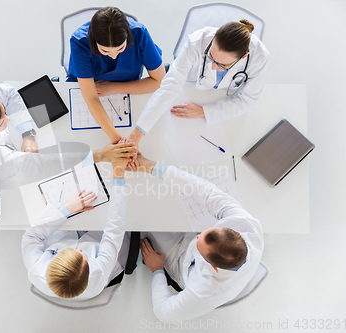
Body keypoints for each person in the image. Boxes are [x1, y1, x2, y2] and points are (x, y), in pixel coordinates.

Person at [0, 82, 137, 199]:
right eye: (1, 122)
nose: (9, 119)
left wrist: (28, 135)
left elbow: (11, 94)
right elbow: (48, 164)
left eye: (4, 111)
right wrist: (102, 155)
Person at [135, 154, 264, 322]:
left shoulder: (203, 293)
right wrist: (152, 166)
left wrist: (157, 270)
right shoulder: (247, 226)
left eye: (199, 247)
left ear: (213, 267)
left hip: (180, 263)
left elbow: (163, 312)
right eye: (204, 234)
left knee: (142, 217)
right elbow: (204, 190)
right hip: (198, 254)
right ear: (235, 233)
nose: (196, 239)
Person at [129, 20, 269, 151]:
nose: (213, 67)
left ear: (243, 57)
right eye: (211, 56)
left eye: (223, 65)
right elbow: (170, 85)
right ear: (215, 35)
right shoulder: (196, 42)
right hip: (191, 89)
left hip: (221, 99)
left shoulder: (259, 56)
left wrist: (205, 112)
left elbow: (248, 100)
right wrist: (139, 131)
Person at [21, 150, 130, 299]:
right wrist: (118, 175)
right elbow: (114, 230)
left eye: (63, 252)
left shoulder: (36, 269)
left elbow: (32, 236)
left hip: (65, 231)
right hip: (98, 239)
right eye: (83, 254)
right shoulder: (98, 273)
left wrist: (66, 210)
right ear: (89, 269)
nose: (78, 248)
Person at [67, 6, 166, 142]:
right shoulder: (80, 42)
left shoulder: (139, 33)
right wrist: (118, 140)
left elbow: (160, 81)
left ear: (128, 36)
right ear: (93, 41)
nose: (113, 56)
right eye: (105, 51)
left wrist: (113, 88)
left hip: (128, 91)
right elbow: (90, 97)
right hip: (87, 92)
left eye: (120, 49)